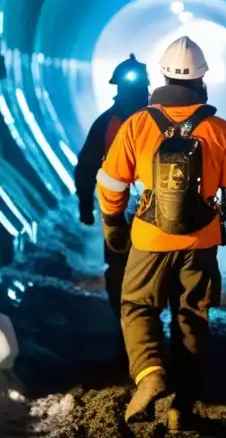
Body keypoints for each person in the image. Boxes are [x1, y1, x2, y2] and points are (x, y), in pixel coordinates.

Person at [97, 36, 226, 424]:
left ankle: (150, 374)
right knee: (192, 316)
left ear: (163, 77)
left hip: (150, 238)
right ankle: (182, 406)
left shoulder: (136, 126)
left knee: (136, 305)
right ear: (203, 80)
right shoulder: (220, 131)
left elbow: (111, 184)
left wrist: (113, 223)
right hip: (201, 240)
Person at [73, 54, 150, 318]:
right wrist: (85, 204)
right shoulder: (107, 124)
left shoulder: (163, 121)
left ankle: (138, 317)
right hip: (123, 209)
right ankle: (128, 318)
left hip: (147, 208)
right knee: (121, 265)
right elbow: (87, 165)